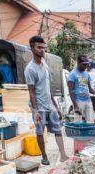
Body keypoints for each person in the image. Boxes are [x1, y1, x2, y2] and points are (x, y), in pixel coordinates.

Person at [25, 35, 67, 166]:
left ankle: (63, 154)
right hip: (40, 108)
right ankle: (44, 156)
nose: (42, 50)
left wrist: (56, 107)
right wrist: (35, 111)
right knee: (39, 132)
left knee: (58, 130)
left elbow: (49, 89)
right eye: (39, 47)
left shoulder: (45, 65)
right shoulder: (30, 69)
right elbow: (31, 92)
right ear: (32, 48)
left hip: (50, 106)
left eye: (44, 48)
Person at [67, 54, 95, 123]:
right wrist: (75, 106)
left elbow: (90, 88)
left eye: (87, 65)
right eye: (84, 64)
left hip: (88, 100)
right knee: (78, 122)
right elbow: (70, 91)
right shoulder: (72, 74)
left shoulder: (87, 74)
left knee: (90, 122)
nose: (86, 66)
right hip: (79, 101)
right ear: (78, 63)